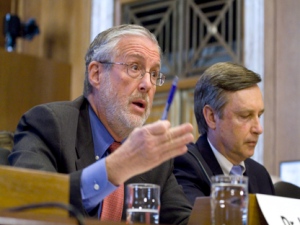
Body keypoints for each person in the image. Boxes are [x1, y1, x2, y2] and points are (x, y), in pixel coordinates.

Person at [9, 24, 194, 224]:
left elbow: (182, 221)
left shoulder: (153, 158)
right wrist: (117, 167)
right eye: (134, 67)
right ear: (96, 74)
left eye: (154, 74)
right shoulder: (50, 124)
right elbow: (29, 202)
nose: (147, 84)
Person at [173, 62, 275, 205]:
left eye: (259, 115)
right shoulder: (186, 165)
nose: (258, 129)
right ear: (211, 117)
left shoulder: (260, 175)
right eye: (245, 116)